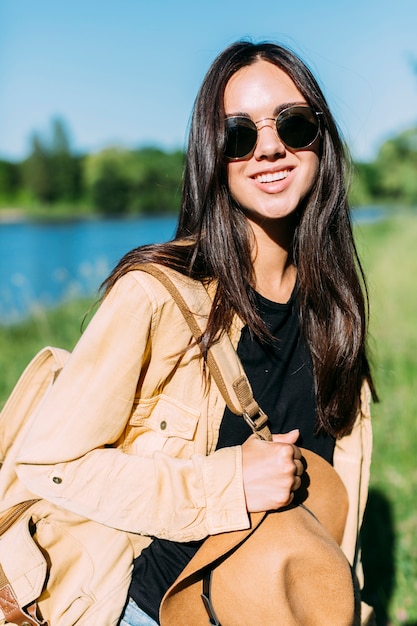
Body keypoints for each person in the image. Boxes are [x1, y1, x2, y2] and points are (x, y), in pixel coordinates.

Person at [14, 40, 376, 625]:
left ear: (322, 139)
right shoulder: (157, 295)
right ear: (213, 155)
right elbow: (49, 466)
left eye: (294, 123)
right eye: (239, 134)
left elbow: (341, 522)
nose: (270, 148)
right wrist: (225, 481)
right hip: (143, 608)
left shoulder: (338, 316)